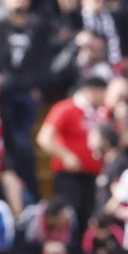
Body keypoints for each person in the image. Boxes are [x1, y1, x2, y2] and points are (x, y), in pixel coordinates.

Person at [37, 77, 107, 245]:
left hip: (92, 176)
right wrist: (66, 155)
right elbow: (44, 138)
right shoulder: (66, 108)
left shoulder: (98, 113)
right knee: (69, 219)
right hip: (70, 177)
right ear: (92, 90)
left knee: (87, 219)